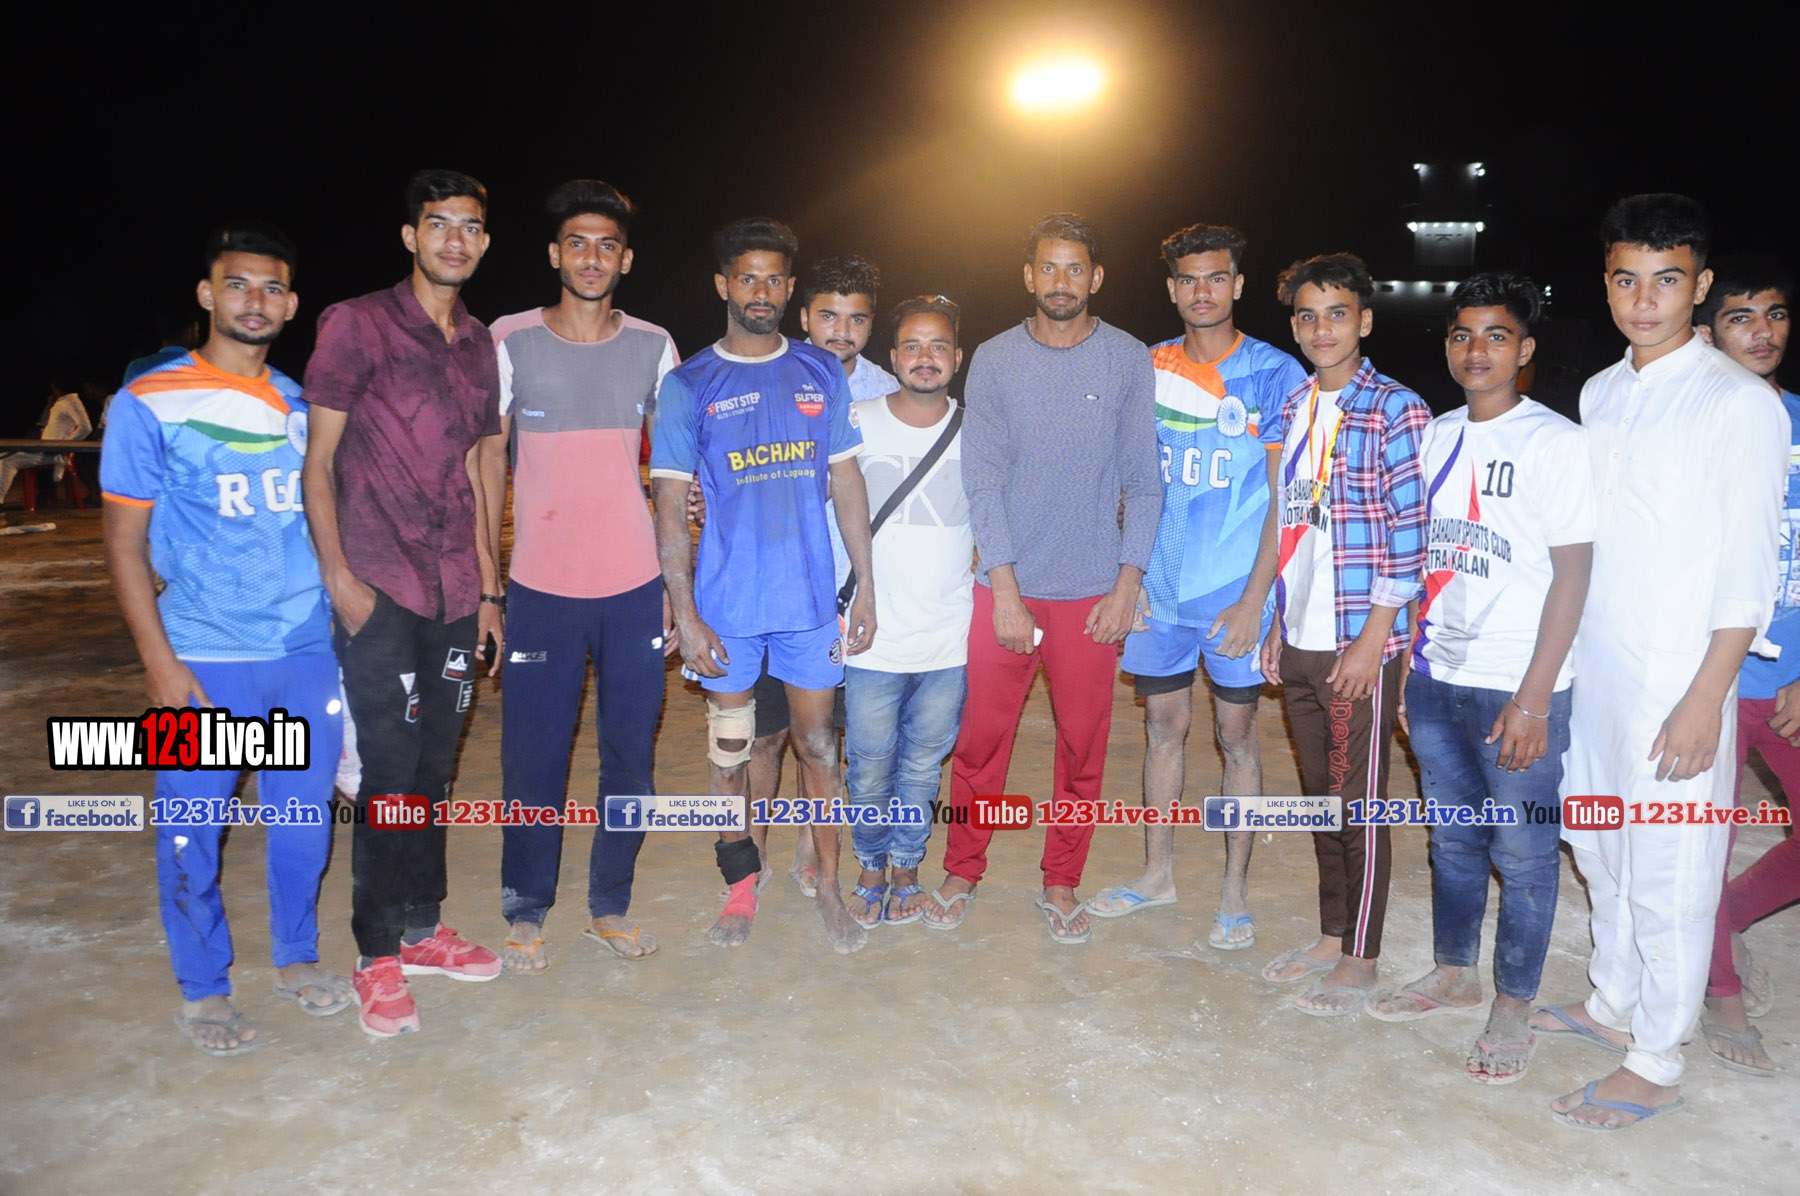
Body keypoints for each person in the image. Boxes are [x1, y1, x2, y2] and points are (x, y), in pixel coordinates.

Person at [1532, 194, 1787, 1129]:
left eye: (1668, 281)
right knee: (1599, 844)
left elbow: (1749, 571)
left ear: (1700, 285)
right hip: (1598, 669)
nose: (1645, 301)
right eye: (1627, 281)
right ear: (1606, 285)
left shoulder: (1739, 403)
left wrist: (1705, 697)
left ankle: (1656, 1059)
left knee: (1673, 866)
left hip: (1680, 678)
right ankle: (1614, 999)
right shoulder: (1601, 392)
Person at [101, 223, 350, 1054]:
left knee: (303, 822)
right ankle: (204, 988)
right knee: (191, 828)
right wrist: (158, 663)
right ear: (208, 294)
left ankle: (296, 957)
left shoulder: (303, 406)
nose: (256, 300)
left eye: (273, 288)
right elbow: (124, 545)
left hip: (303, 651)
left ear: (292, 304)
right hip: (202, 656)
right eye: (238, 284)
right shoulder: (148, 402)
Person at [1363, 274, 1594, 1087]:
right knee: (1453, 838)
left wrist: (1535, 697)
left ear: (1524, 348)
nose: (1476, 350)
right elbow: (1414, 564)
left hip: (1516, 685)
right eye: (1462, 334)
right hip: (1436, 676)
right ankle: (1454, 972)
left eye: (1496, 335)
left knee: (1524, 853)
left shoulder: (1555, 443)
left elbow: (1573, 576)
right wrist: (1406, 671)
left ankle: (1514, 1004)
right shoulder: (1434, 437)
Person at [302, 169, 507, 1037]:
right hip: (380, 586)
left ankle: (422, 929)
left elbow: (479, 465)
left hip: (455, 589)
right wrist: (341, 580)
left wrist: (490, 590)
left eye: (470, 226)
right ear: (410, 236)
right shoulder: (355, 325)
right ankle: (376, 953)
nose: (455, 240)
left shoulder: (480, 344)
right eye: (438, 224)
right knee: (388, 774)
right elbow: (317, 461)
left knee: (433, 771)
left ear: (484, 242)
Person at [924, 213, 1160, 943]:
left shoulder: (1126, 358)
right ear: (1029, 276)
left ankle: (1062, 880)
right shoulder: (995, 358)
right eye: (1048, 268)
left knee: (1083, 747)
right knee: (979, 742)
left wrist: (1127, 584)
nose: (1061, 281)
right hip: (1008, 590)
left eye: (1075, 268)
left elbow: (1144, 482)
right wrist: (1004, 589)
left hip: (1092, 596)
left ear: (1096, 277)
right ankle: (963, 868)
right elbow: (983, 480)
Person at [649, 217, 877, 954]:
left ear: (789, 288)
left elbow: (847, 482)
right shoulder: (688, 384)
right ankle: (741, 889)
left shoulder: (819, 372)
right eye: (747, 277)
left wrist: (866, 585)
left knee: (819, 748)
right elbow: (669, 505)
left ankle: (830, 888)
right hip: (727, 609)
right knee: (732, 754)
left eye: (774, 279)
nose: (761, 291)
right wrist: (685, 611)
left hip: (808, 604)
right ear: (723, 284)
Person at [1089, 223, 1305, 951]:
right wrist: (1128, 580)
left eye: (1217, 277)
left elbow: (1284, 498)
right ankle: (1158, 874)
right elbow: (1124, 482)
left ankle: (1234, 891)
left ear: (1237, 285)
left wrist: (1256, 600)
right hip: (1159, 594)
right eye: (1189, 279)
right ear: (1172, 287)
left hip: (1234, 594)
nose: (1202, 291)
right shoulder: (1146, 367)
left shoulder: (1273, 373)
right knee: (1162, 730)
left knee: (1236, 735)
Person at [484, 179, 679, 972]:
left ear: (625, 259)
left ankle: (610, 905)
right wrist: (489, 587)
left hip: (634, 588)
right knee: (534, 758)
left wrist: (676, 588)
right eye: (577, 244)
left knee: (630, 755)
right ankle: (527, 907)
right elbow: (485, 463)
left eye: (607, 245)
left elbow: (672, 477)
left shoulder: (655, 346)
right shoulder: (509, 339)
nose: (592, 258)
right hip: (540, 590)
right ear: (554, 254)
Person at [1258, 252, 1430, 1014]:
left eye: (1336, 314)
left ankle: (1361, 957)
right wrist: (1276, 621)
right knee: (1320, 796)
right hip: (1301, 632)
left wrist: (1372, 640)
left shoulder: (1396, 409)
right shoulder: (1294, 406)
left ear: (1364, 320)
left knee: (1357, 801)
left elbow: (1410, 533)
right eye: (1307, 315)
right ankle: (1333, 934)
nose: (1321, 328)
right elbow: (1294, 524)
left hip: (1359, 640)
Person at [738, 254, 901, 896]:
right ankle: (751, 849)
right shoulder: (768, 374)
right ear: (803, 316)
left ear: (871, 325)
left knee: (825, 734)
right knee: (764, 734)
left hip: (845, 591)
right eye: (828, 316)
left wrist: (869, 587)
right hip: (773, 588)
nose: (841, 331)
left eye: (856, 319)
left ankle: (811, 842)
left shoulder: (887, 393)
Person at [1692, 254, 1798, 1075]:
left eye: (1775, 314)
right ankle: (1719, 989)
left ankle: (1720, 920)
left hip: (1791, 680)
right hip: (1709, 684)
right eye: (1740, 317)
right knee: (1699, 841)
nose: (1762, 332)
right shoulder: (1689, 432)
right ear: (1708, 331)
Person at [841, 296, 973, 927]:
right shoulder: (856, 419)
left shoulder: (977, 429)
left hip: (948, 635)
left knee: (923, 764)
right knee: (868, 766)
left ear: (957, 358)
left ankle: (906, 870)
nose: (926, 357)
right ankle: (869, 870)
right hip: (871, 633)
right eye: (913, 346)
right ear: (892, 358)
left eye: (938, 346)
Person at [0, 384, 92, 525]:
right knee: (4, 454)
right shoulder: (61, 403)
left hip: (52, 453)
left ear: (56, 388)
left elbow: (86, 427)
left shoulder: (72, 402)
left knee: (6, 461)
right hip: (46, 449)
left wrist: (63, 446)